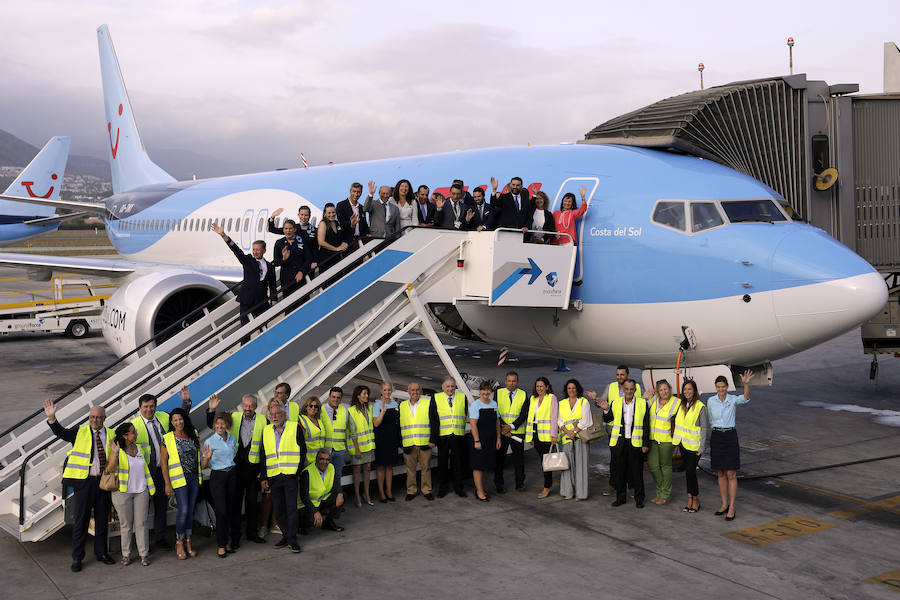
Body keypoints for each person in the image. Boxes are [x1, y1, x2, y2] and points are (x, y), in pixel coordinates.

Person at [44, 399, 116, 572]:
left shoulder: (112, 434)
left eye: (98, 417)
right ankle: (77, 558)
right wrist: (52, 418)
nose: (95, 420)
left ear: (104, 418)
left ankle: (101, 553)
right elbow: (62, 433)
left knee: (102, 521)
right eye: (92, 417)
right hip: (84, 484)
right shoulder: (80, 432)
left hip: (104, 483)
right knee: (81, 522)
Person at [130, 389, 192, 550]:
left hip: (165, 470)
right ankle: (141, 544)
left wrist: (185, 403)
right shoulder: (134, 425)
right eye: (145, 406)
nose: (149, 409)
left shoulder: (163, 417)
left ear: (156, 407)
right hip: (144, 473)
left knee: (161, 507)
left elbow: (180, 419)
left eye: (152, 406)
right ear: (139, 408)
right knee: (141, 510)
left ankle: (160, 538)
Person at [206, 392, 267, 545]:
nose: (248, 408)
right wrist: (212, 410)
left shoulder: (263, 420)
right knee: (235, 504)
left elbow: (265, 448)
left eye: (251, 405)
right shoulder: (234, 417)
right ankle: (235, 537)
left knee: (253, 503)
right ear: (242, 405)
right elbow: (214, 424)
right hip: (236, 469)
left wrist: (263, 471)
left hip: (254, 469)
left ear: (256, 407)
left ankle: (252, 533)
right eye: (245, 405)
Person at [212, 223, 277, 343]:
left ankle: (264, 348)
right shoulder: (247, 260)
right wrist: (223, 235)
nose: (255, 252)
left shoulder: (269, 266)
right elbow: (235, 250)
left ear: (264, 250)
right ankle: (244, 349)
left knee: (264, 327)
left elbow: (272, 284)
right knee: (245, 330)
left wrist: (274, 299)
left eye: (258, 250)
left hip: (261, 300)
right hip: (246, 300)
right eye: (254, 249)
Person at [258, 399, 306, 553]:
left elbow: (302, 450)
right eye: (272, 414)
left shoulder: (294, 427)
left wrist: (296, 471)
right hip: (274, 476)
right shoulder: (266, 430)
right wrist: (264, 477)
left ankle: (292, 540)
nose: (275, 416)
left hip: (290, 475)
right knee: (279, 510)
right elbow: (264, 455)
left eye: (278, 413)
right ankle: (286, 536)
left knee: (291, 508)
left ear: (284, 414)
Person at [594, 379, 650, 508]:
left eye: (631, 389)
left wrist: (645, 443)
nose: (629, 391)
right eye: (627, 389)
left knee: (637, 473)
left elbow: (646, 425)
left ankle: (639, 498)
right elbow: (609, 419)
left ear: (635, 390)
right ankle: (620, 498)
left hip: (635, 442)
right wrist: (606, 409)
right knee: (620, 472)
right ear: (623, 390)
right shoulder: (616, 402)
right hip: (619, 442)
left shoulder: (642, 403)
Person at [107, 422, 155, 567]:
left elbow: (145, 470)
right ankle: (126, 555)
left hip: (141, 491)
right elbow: (111, 469)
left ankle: (143, 554)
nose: (136, 434)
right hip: (123, 492)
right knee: (126, 525)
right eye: (133, 432)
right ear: (125, 436)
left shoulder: (139, 448)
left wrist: (150, 489)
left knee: (142, 523)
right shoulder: (118, 451)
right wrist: (114, 453)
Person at [709, 370, 753, 521]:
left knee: (731, 474)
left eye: (723, 386)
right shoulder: (711, 401)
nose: (721, 389)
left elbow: (746, 398)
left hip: (729, 436)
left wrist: (746, 385)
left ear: (727, 387)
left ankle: (732, 506)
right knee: (720, 473)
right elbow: (710, 419)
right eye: (718, 387)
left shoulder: (733, 399)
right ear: (716, 387)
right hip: (716, 436)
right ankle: (724, 503)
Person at [160, 407, 202, 559]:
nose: (179, 422)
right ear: (171, 422)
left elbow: (197, 458)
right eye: (175, 420)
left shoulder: (193, 434)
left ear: (185, 419)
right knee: (183, 510)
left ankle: (189, 542)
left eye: (181, 419)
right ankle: (179, 541)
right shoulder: (167, 438)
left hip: (194, 478)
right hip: (179, 480)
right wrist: (167, 484)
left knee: (190, 510)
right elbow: (164, 464)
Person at [201, 412, 238, 558]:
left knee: (229, 510)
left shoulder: (232, 439)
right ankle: (221, 545)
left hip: (232, 474)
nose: (220, 426)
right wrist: (207, 458)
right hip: (218, 477)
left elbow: (232, 456)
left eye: (222, 424)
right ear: (214, 425)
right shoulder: (210, 442)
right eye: (217, 424)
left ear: (227, 425)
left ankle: (227, 542)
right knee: (221, 511)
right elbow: (204, 466)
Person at [672, 380, 709, 513]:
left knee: (690, 471)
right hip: (683, 444)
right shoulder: (681, 405)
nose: (687, 392)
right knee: (688, 472)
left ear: (694, 391)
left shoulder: (700, 407)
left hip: (695, 447)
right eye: (685, 389)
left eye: (690, 389)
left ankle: (695, 499)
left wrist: (702, 447)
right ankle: (690, 498)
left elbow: (704, 428)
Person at [399, 382, 440, 501]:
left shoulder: (428, 403)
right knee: (410, 469)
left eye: (417, 390)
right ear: (408, 392)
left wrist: (433, 440)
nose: (415, 392)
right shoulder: (402, 405)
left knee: (426, 468)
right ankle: (411, 491)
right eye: (412, 390)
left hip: (424, 442)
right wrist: (401, 442)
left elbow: (435, 422)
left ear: (421, 392)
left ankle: (427, 490)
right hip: (408, 443)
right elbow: (399, 425)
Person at [644, 379, 681, 506]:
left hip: (666, 440)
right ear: (657, 391)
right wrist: (644, 398)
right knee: (653, 466)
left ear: (669, 389)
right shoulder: (653, 400)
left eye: (666, 389)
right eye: (661, 390)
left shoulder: (676, 402)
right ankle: (660, 491)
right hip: (653, 440)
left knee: (665, 467)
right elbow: (641, 409)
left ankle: (665, 494)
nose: (664, 392)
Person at [494, 371, 530, 493]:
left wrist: (512, 427)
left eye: (514, 381)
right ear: (505, 381)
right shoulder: (498, 393)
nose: (511, 383)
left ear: (517, 382)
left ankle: (519, 484)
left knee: (518, 460)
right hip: (502, 432)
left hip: (517, 432)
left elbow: (524, 414)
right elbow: (496, 412)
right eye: (509, 381)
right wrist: (505, 428)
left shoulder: (523, 394)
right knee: (499, 459)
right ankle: (499, 484)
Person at [557, 379, 592, 501]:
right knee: (567, 466)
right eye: (569, 388)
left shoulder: (584, 402)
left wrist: (574, 432)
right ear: (566, 390)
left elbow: (586, 420)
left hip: (581, 437)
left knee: (581, 466)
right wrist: (568, 432)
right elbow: (559, 420)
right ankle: (568, 491)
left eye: (573, 388)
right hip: (567, 438)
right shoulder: (561, 403)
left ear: (577, 389)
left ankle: (581, 494)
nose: (571, 390)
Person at [526, 376, 559, 499]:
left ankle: (547, 486)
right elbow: (531, 418)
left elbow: (554, 417)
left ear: (547, 387)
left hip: (547, 436)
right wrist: (530, 437)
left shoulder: (551, 398)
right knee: (543, 461)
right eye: (537, 386)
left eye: (541, 386)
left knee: (547, 463)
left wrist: (554, 435)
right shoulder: (533, 398)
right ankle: (547, 485)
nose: (539, 388)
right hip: (536, 434)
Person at [434, 377, 468, 498]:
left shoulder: (462, 397)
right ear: (443, 387)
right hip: (443, 435)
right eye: (447, 386)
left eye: (452, 386)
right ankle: (443, 488)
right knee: (442, 463)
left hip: (457, 435)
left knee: (458, 463)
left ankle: (458, 487)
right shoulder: (436, 398)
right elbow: (434, 419)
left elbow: (464, 414)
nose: (450, 388)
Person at [299, 449, 345, 533]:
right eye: (322, 459)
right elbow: (304, 497)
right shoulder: (307, 472)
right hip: (308, 505)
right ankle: (301, 525)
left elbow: (336, 483)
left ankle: (328, 523)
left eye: (327, 459)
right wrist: (315, 512)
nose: (325, 462)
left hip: (322, 501)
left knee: (342, 496)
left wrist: (340, 493)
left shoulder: (331, 467)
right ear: (316, 459)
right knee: (312, 521)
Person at [469, 381, 500, 502]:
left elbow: (497, 422)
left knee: (486, 465)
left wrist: (498, 438)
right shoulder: (476, 405)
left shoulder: (494, 404)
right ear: (480, 391)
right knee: (478, 466)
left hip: (490, 440)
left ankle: (481, 488)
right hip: (479, 440)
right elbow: (473, 424)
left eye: (488, 390)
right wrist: (477, 441)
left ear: (490, 391)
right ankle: (479, 491)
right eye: (483, 390)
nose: (486, 392)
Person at [269, 206, 319, 277]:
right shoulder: (293, 228)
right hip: (295, 263)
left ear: (309, 216)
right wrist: (272, 217)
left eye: (306, 215)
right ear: (298, 215)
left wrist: (315, 261)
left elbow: (315, 247)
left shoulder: (314, 230)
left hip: (308, 263)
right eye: (301, 215)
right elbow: (272, 229)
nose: (303, 217)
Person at [347, 385, 375, 507]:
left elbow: (371, 429)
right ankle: (357, 495)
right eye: (364, 394)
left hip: (368, 446)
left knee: (367, 469)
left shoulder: (369, 408)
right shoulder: (351, 411)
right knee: (357, 470)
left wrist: (372, 447)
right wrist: (357, 449)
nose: (366, 396)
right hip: (357, 447)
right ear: (358, 395)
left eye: (367, 394)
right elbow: (353, 432)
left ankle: (367, 494)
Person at [372, 381, 401, 502]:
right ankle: (381, 493)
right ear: (381, 391)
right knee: (381, 467)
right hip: (381, 440)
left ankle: (389, 491)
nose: (387, 392)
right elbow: (376, 423)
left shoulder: (395, 404)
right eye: (385, 390)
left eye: (389, 390)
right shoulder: (377, 405)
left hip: (392, 439)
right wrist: (382, 412)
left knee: (389, 466)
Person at [271, 217, 312, 298]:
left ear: (295, 230)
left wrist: (301, 272)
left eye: (290, 228)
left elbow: (308, 259)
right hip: (286, 279)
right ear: (283, 230)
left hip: (300, 277)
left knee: (303, 302)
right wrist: (283, 259)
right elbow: (276, 262)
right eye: (286, 228)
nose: (288, 231)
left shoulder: (302, 241)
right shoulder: (279, 243)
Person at [322, 386, 349, 488]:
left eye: (338, 398)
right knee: (324, 475)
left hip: (340, 449)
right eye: (333, 397)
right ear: (329, 397)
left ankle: (336, 497)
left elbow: (347, 430)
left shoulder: (344, 411)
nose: (335, 400)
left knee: (337, 475)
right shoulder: (322, 410)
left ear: (341, 399)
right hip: (326, 449)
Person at [298, 396, 332, 465]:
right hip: (308, 461)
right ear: (306, 407)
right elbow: (300, 444)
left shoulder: (319, 421)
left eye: (316, 406)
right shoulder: (302, 421)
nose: (313, 408)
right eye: (311, 406)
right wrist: (305, 460)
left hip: (320, 460)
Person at [317, 202, 350, 271]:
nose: (331, 215)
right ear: (325, 214)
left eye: (333, 212)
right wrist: (336, 249)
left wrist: (344, 243)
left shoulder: (337, 223)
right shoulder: (323, 223)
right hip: (326, 259)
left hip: (337, 258)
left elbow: (343, 236)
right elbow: (321, 242)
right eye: (329, 213)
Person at [336, 182, 369, 248]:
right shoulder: (341, 205)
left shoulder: (361, 208)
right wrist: (351, 224)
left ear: (361, 193)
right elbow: (340, 222)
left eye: (358, 192)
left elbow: (364, 225)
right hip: (347, 242)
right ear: (350, 191)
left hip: (360, 241)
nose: (356, 194)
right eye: (354, 191)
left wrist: (367, 233)